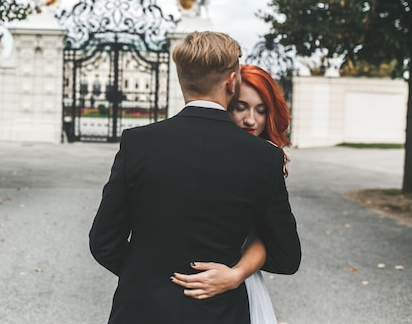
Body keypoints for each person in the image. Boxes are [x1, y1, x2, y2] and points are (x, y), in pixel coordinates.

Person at [89, 31, 301, 324]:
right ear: (231, 81)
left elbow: (103, 242)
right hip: (221, 312)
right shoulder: (264, 157)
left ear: (181, 80)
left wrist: (150, 278)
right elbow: (287, 256)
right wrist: (233, 275)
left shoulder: (137, 142)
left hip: (140, 310)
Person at [170, 64, 292, 324]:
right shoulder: (189, 146)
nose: (251, 120)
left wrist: (235, 275)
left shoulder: (266, 159)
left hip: (235, 281)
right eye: (241, 107)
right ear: (226, 102)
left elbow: (266, 236)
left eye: (261, 110)